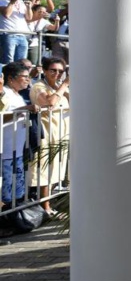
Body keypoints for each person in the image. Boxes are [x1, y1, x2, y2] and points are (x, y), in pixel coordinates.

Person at [30, 57, 70, 217]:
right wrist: (65, 85)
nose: (57, 74)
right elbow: (49, 103)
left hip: (62, 134)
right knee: (45, 171)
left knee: (57, 171)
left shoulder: (60, 88)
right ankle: (44, 207)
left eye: (60, 71)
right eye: (53, 70)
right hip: (46, 134)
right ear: (45, 71)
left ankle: (47, 204)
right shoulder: (38, 86)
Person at [1, 62, 38, 210]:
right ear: (11, 78)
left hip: (17, 150)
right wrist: (24, 109)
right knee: (6, 190)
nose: (28, 80)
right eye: (24, 77)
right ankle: (6, 219)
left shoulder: (16, 94)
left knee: (17, 189)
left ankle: (15, 217)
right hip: (5, 151)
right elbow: (2, 117)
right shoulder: (4, 93)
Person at [0, 0, 34, 65]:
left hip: (22, 35)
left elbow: (29, 18)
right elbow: (6, 14)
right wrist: (12, 2)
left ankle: (18, 78)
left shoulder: (21, 1)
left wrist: (29, 8)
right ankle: (6, 79)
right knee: (8, 61)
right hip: (8, 34)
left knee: (22, 63)